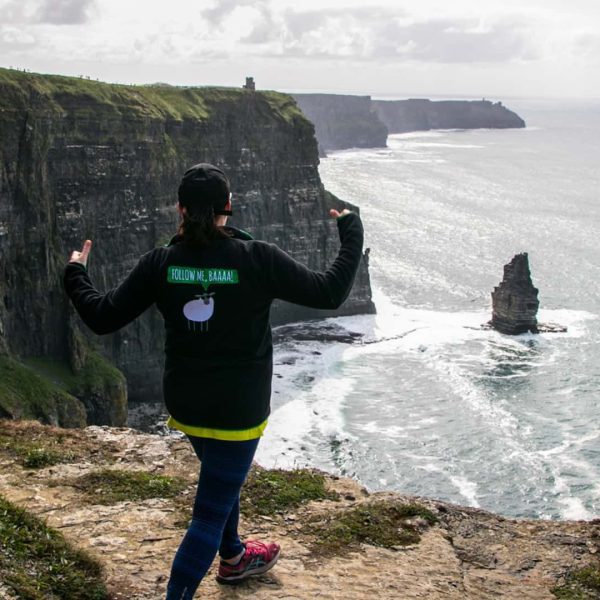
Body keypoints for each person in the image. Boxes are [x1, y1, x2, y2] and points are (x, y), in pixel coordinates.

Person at [63, 163, 364, 598]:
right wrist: (351, 231)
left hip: (187, 402)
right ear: (228, 207)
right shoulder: (258, 258)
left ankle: (235, 557)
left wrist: (76, 272)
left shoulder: (161, 262)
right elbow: (331, 291)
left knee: (221, 481)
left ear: (180, 209)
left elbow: (102, 316)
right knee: (208, 511)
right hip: (237, 409)